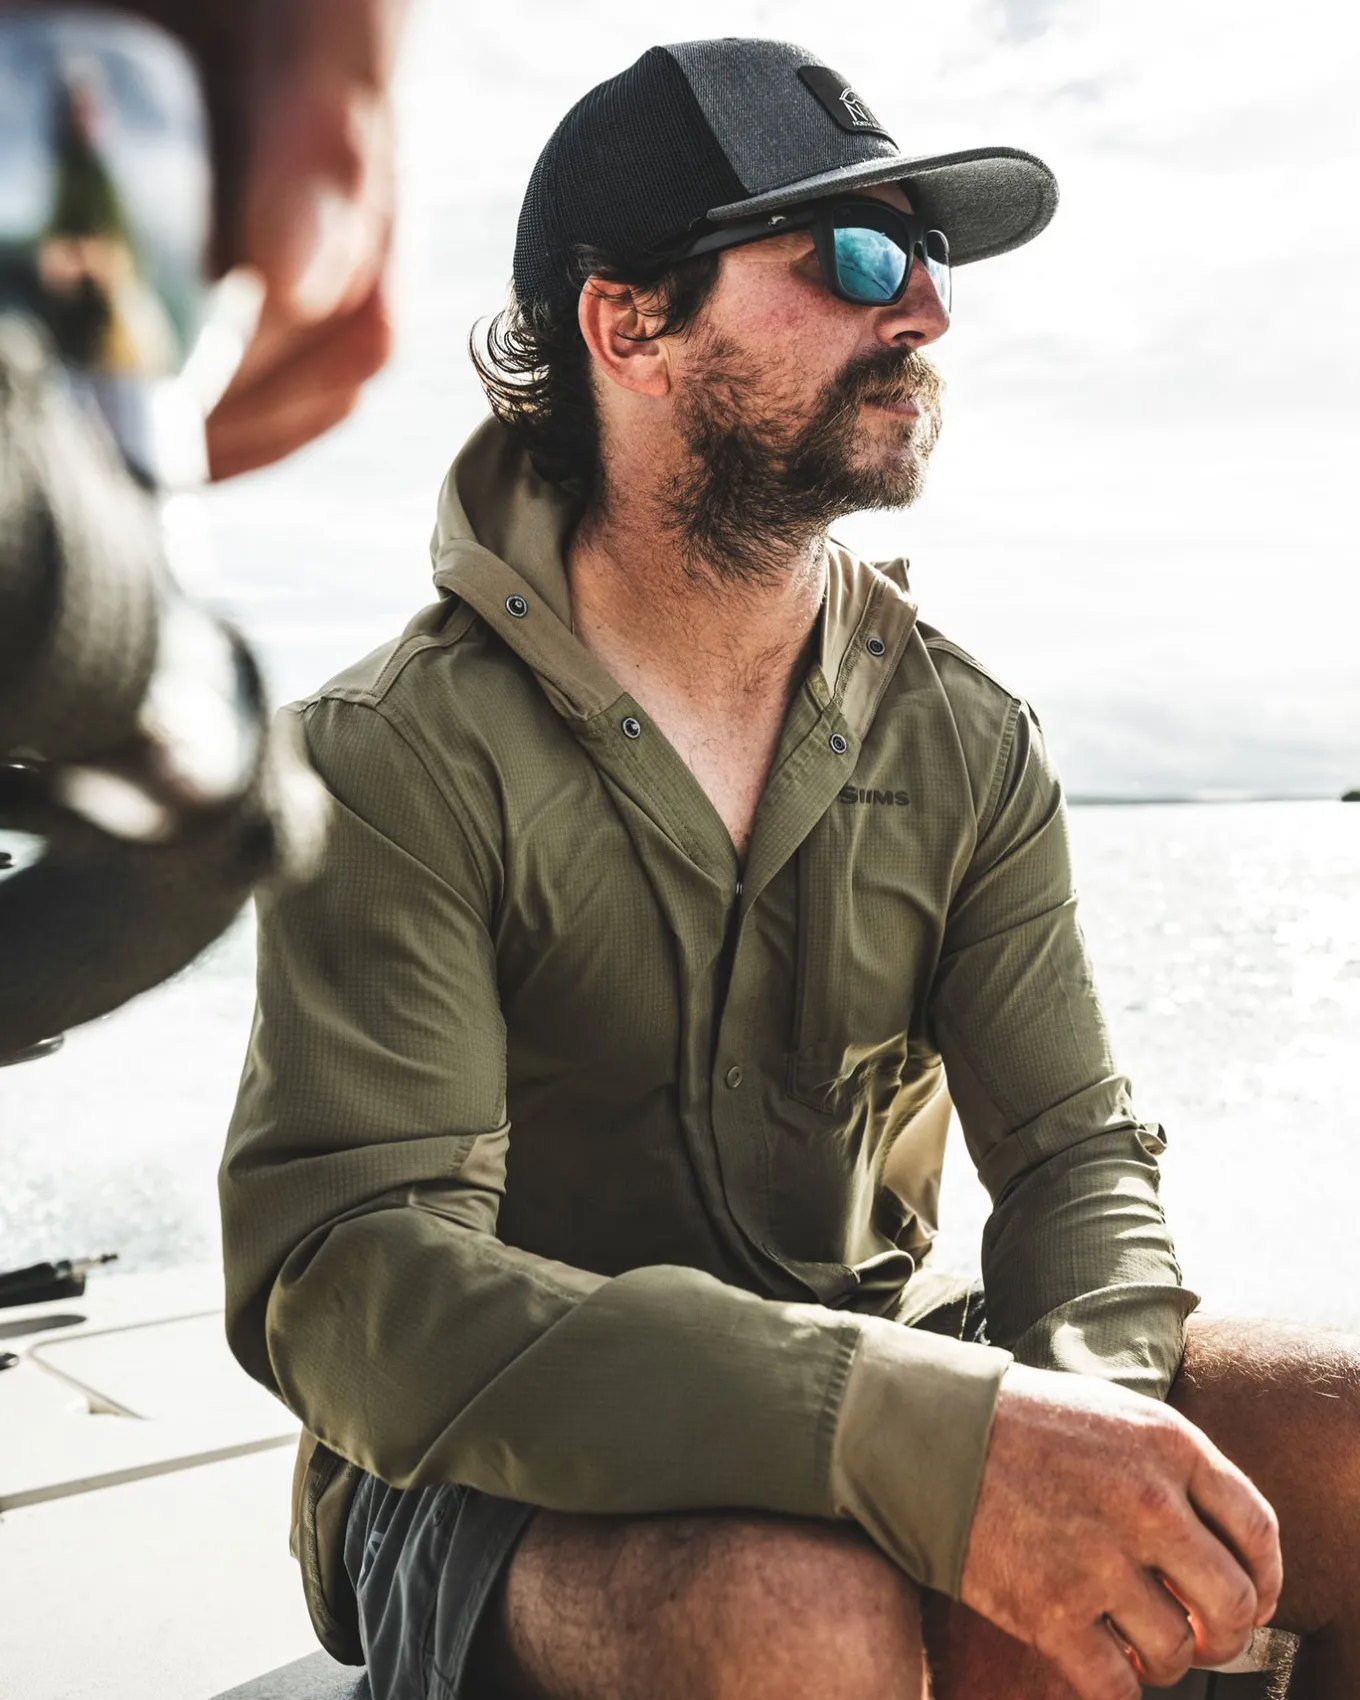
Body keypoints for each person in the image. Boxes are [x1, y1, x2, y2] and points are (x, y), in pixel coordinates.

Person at [219, 39, 1360, 1700]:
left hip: (905, 1363)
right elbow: (360, 1291)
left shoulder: (966, 739)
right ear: (629, 326)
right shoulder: (388, 755)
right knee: (797, 1613)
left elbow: (1071, 1163)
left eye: (930, 257)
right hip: (485, 1478)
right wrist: (915, 1435)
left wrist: (1075, 1430)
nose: (927, 313)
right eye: (855, 260)